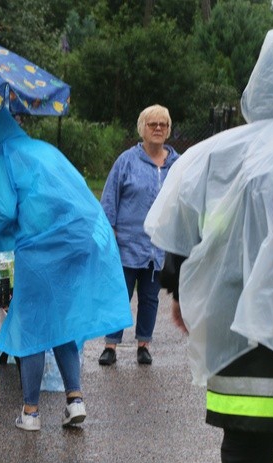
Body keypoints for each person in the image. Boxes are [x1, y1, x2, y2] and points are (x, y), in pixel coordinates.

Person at [145, 29, 273, 463]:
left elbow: (177, 235)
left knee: (243, 461)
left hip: (235, 345)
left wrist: (179, 294)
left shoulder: (215, 155)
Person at [0, 108, 132, 430]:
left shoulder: (0, 157)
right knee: (61, 320)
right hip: (83, 236)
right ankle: (75, 400)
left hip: (43, 246)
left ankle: (30, 412)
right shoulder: (44, 148)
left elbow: (2, 209)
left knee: (32, 324)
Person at [98, 105, 180, 366]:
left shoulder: (177, 164)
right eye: (152, 124)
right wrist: (109, 232)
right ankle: (111, 345)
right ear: (142, 128)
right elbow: (110, 198)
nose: (158, 128)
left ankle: (144, 344)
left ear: (168, 130)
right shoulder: (127, 161)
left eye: (163, 125)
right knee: (119, 294)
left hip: (159, 246)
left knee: (150, 297)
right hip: (127, 243)